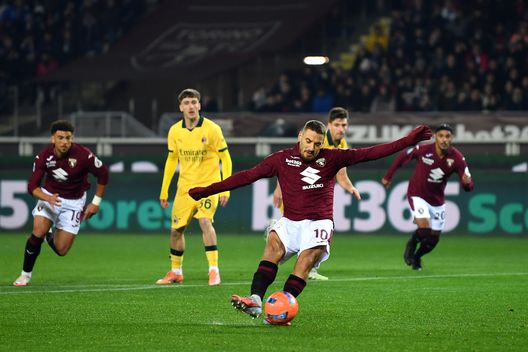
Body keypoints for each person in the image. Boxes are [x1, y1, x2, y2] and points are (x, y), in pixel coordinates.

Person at [189, 120, 432, 321]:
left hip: (319, 223)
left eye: (317, 144)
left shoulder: (333, 158)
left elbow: (371, 153)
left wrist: (409, 141)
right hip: (290, 220)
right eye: (308, 141)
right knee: (273, 244)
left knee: (305, 261)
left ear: (322, 143)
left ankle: (279, 309)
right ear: (300, 136)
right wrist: (209, 190)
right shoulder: (281, 159)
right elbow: (248, 176)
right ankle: (255, 300)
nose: (311, 147)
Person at [13, 120, 109, 286]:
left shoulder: (83, 155)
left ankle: (49, 234)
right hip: (50, 197)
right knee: (37, 231)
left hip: (74, 202)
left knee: (61, 250)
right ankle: (25, 274)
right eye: (60, 138)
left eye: (68, 138)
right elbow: (32, 187)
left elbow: (103, 174)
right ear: (53, 139)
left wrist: (96, 202)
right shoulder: (43, 157)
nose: (64, 142)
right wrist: (47, 198)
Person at [271, 107, 361, 281]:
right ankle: (300, 265)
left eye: (344, 125)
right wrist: (278, 189)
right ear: (329, 125)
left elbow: (341, 175)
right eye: (337, 125)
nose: (341, 129)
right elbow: (290, 163)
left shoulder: (342, 145)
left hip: (316, 196)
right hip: (297, 192)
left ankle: (309, 267)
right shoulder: (317, 140)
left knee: (324, 229)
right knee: (298, 232)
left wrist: (350, 188)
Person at [157, 88, 232, 286]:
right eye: (187, 103)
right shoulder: (175, 131)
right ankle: (176, 272)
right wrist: (164, 190)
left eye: (194, 102)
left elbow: (225, 157)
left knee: (205, 221)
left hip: (209, 186)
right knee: (176, 231)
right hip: (185, 189)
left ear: (199, 105)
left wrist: (225, 188)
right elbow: (172, 160)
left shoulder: (212, 129)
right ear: (181, 107)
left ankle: (214, 270)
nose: (191, 106)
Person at [381, 124, 474, 270]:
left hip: (437, 201)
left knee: (433, 239)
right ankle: (411, 244)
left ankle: (417, 257)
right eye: (441, 136)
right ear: (435, 137)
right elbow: (403, 156)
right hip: (417, 194)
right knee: (424, 229)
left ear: (452, 139)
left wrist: (467, 184)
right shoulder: (423, 150)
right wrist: (388, 176)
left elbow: (468, 186)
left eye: (447, 137)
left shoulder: (457, 158)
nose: (444, 140)